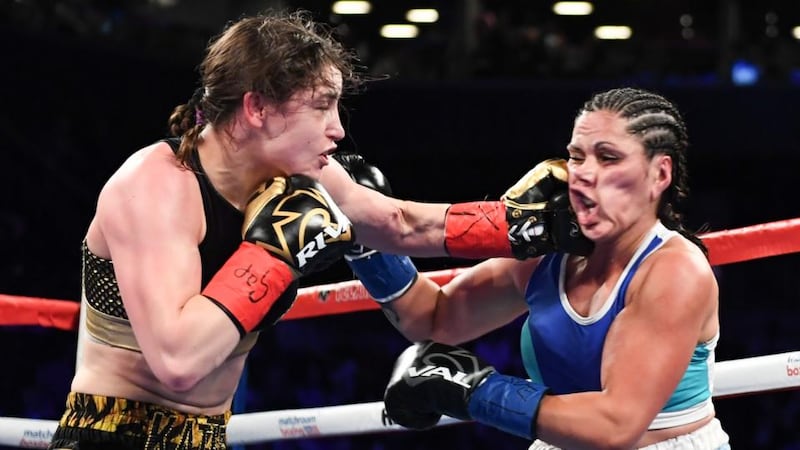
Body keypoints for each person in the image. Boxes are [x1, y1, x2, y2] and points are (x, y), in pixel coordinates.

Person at [49, 8, 585, 450]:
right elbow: (177, 361)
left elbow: (399, 223)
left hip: (209, 437)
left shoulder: (303, 176)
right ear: (258, 108)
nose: (339, 129)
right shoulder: (155, 187)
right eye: (323, 106)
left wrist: (522, 224)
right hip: (113, 434)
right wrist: (274, 254)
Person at [369, 87, 730, 449]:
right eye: (577, 157)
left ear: (659, 174)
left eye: (608, 158)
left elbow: (615, 427)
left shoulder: (675, 271)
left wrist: (476, 390)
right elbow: (434, 318)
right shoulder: (548, 257)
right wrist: (366, 246)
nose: (584, 173)